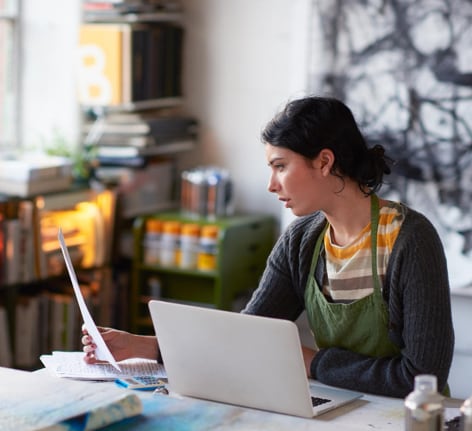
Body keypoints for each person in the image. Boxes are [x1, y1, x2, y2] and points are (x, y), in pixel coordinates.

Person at [82, 96, 454, 398]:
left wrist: (312, 363)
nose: (271, 185)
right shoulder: (301, 241)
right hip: (339, 407)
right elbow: (244, 338)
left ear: (324, 161)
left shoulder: (410, 240)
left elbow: (422, 378)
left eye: (280, 166)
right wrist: (147, 348)